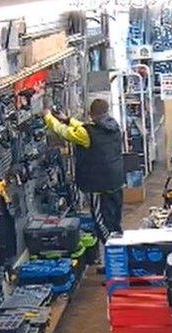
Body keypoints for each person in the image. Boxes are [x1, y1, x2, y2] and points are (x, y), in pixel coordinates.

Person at [44, 98, 125, 246]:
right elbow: (87, 129)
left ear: (91, 114)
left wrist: (48, 117)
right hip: (116, 180)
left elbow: (65, 133)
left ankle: (113, 253)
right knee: (114, 219)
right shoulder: (113, 126)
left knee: (101, 222)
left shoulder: (87, 133)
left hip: (99, 184)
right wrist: (68, 119)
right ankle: (120, 250)